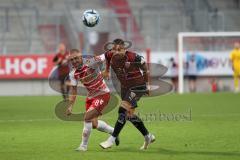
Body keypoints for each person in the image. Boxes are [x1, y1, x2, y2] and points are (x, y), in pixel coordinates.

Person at [100, 39, 155, 150]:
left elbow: (145, 68)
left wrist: (148, 85)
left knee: (122, 110)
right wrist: (106, 70)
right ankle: (147, 136)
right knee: (128, 115)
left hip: (138, 86)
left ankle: (111, 139)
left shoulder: (133, 57)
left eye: (119, 50)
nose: (116, 52)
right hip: (125, 88)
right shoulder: (110, 54)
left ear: (125, 49)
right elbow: (106, 56)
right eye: (114, 49)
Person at [65, 49, 119, 151]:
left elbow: (108, 54)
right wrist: (70, 105)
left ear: (81, 57)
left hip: (103, 94)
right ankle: (114, 132)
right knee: (94, 124)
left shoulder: (92, 62)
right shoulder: (73, 73)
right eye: (72, 59)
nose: (74, 61)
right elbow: (73, 90)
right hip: (90, 97)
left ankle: (83, 146)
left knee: (87, 117)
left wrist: (107, 70)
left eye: (76, 58)